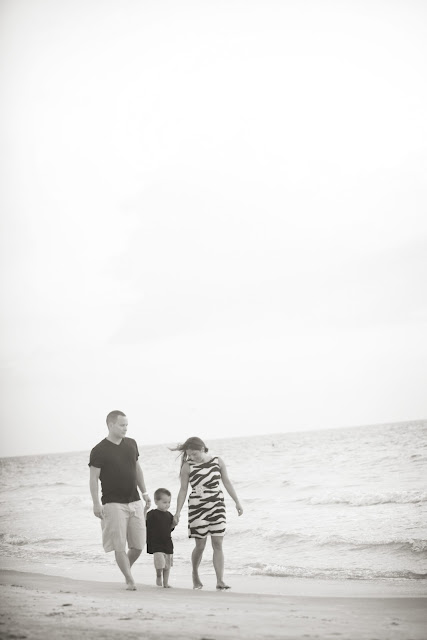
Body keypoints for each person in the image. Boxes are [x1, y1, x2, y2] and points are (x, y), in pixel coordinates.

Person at [89, 410, 151, 590]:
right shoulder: (99, 450)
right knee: (119, 546)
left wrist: (145, 493)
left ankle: (126, 569)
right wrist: (95, 503)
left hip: (134, 500)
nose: (125, 428)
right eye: (122, 425)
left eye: (127, 425)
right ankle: (130, 579)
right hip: (112, 503)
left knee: (139, 545)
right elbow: (93, 479)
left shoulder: (131, 444)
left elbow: (137, 469)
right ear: (111, 425)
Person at [172, 436, 243, 590]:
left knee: (218, 543)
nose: (191, 457)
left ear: (203, 449)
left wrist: (237, 502)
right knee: (200, 545)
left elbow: (227, 482)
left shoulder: (218, 461)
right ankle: (195, 574)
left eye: (194, 454)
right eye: (189, 455)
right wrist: (177, 512)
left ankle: (220, 580)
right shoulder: (187, 466)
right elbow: (183, 490)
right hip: (197, 508)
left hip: (217, 505)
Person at [146, 488, 175, 588]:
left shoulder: (169, 515)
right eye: (164, 502)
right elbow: (144, 522)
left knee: (167, 565)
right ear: (156, 502)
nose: (167, 504)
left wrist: (175, 522)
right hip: (156, 543)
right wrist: (145, 509)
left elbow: (170, 528)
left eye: (169, 502)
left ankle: (166, 583)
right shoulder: (152, 514)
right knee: (160, 563)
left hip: (167, 543)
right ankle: (158, 575)